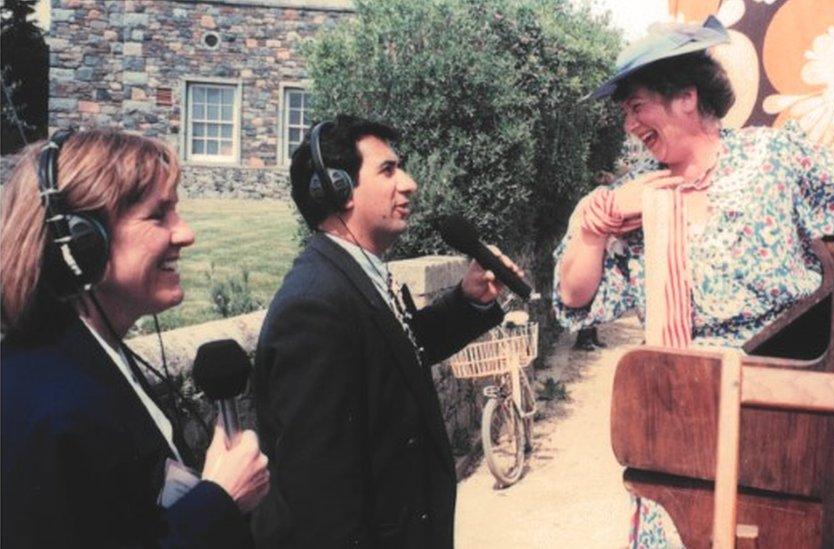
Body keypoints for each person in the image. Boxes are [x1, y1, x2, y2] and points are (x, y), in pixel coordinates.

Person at [553, 17, 834, 547]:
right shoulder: (634, 200)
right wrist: (594, 225)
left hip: (781, 412)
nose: (629, 125)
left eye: (637, 107)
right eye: (624, 113)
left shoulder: (772, 159)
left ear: (686, 97)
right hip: (681, 422)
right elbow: (574, 297)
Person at [251, 115, 516, 548]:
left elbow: (399, 353)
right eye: (388, 170)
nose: (408, 184)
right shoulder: (313, 307)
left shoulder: (355, 275)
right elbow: (319, 502)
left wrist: (471, 300)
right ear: (337, 189)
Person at [1, 129, 270, 547]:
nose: (185, 233)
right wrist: (220, 500)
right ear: (81, 241)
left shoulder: (92, 355)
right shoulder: (51, 410)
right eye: (159, 215)